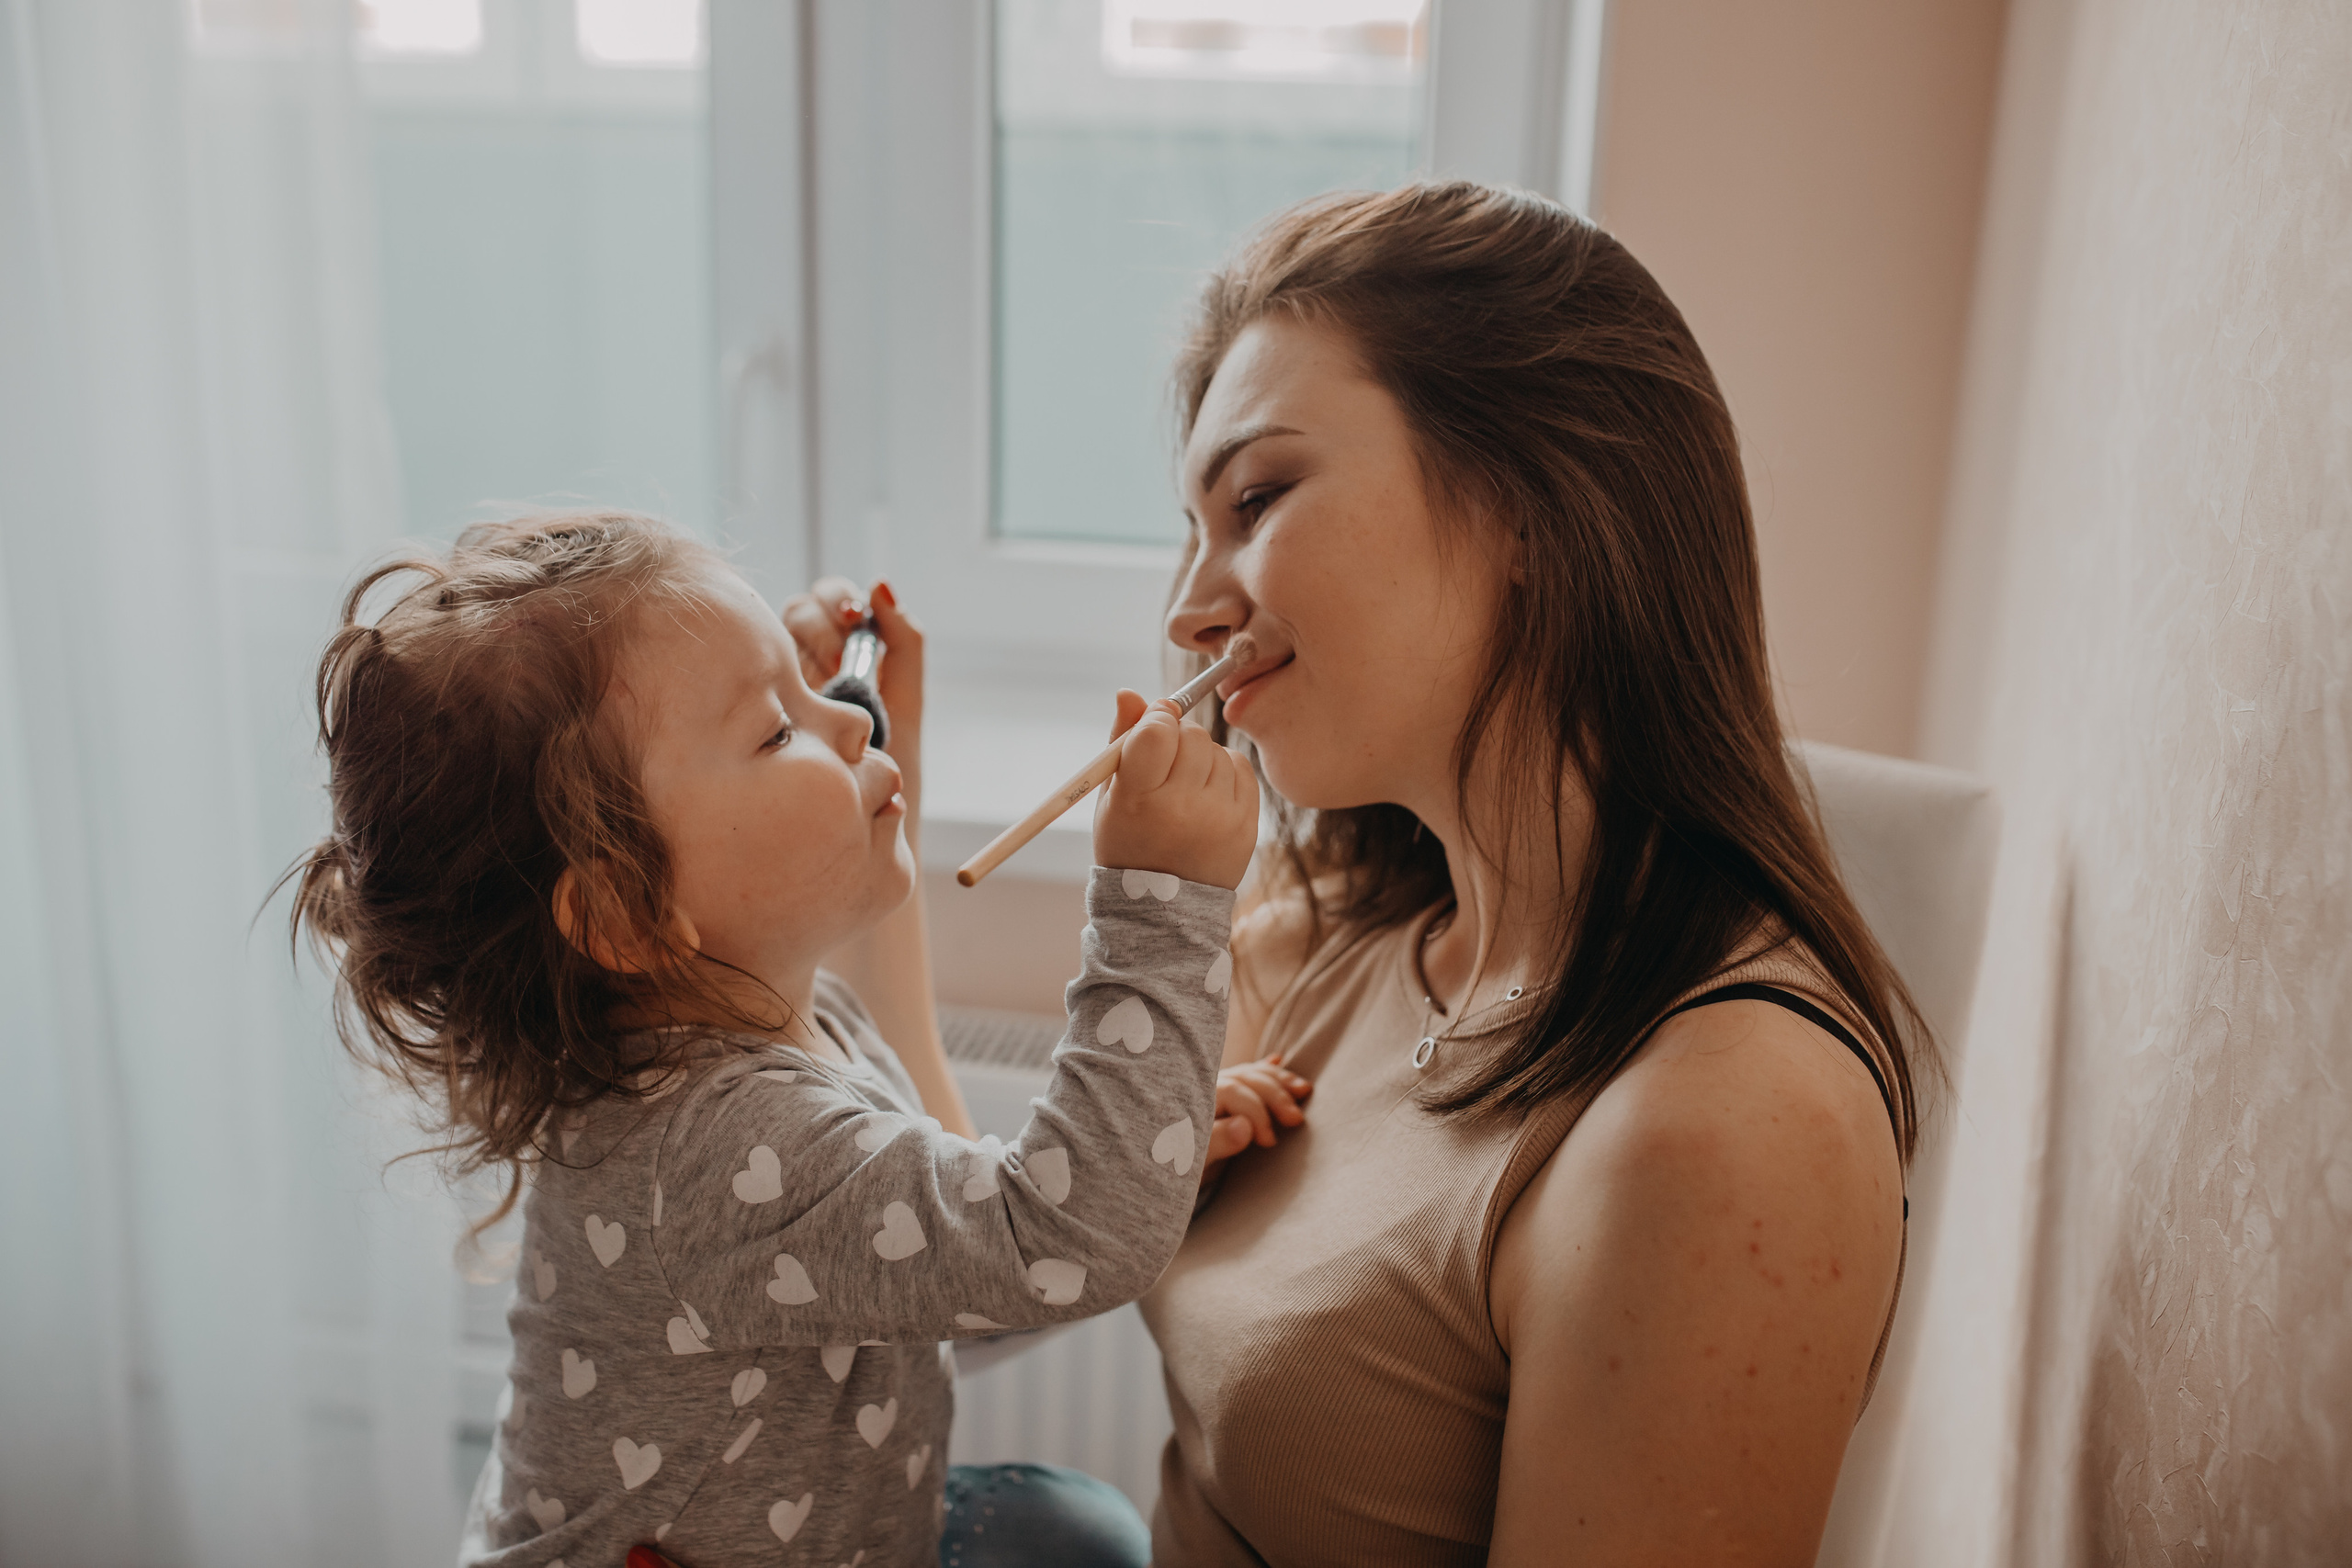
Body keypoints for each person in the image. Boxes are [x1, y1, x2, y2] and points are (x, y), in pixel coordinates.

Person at [1138, 181, 1930, 1566]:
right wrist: (883, 898)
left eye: (1257, 498)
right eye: (1194, 530)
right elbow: (1004, 1241)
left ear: (1525, 500)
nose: (1187, 610)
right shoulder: (1329, 933)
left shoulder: (1723, 1131)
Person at [285, 513, 1257, 1567]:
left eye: (812, 687)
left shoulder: (788, 1022)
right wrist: (1162, 899)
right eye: (776, 728)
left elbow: (947, 1286)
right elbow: (1057, 1244)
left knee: (1075, 1534)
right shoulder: (714, 1147)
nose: (850, 716)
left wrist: (1148, 1155)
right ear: (624, 914)